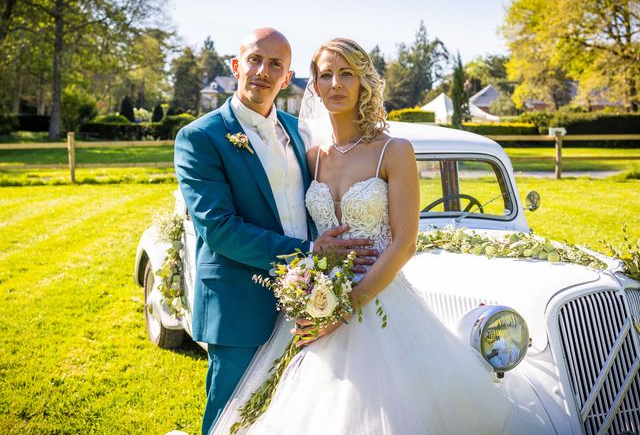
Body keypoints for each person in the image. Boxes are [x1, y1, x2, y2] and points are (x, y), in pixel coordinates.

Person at [211, 38, 513, 434]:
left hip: (381, 304)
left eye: (347, 73)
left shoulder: (394, 151)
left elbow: (405, 243)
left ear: (364, 83)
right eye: (325, 75)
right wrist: (312, 295)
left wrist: (345, 308)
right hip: (316, 305)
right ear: (313, 87)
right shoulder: (312, 157)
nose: (335, 83)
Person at [174, 29, 377, 435]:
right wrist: (309, 252)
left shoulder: (298, 131)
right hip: (239, 303)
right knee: (232, 418)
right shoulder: (200, 137)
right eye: (255, 60)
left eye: (276, 65)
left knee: (296, 416)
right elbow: (219, 229)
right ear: (236, 66)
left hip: (309, 303)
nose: (263, 71)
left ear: (288, 78)